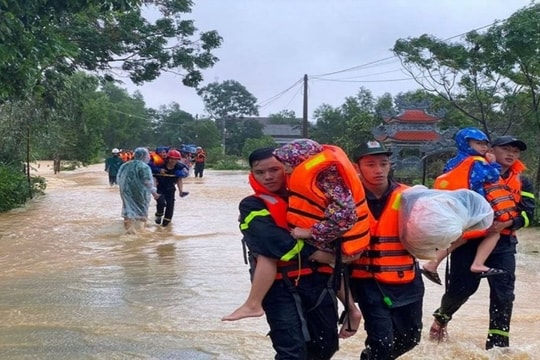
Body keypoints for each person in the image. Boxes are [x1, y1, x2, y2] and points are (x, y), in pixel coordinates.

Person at [222, 139, 370, 330]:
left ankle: (350, 307)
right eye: (260, 172)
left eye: (276, 169)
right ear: (252, 174)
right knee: (292, 351)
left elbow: (348, 214)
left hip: (320, 281)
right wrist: (319, 254)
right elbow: (274, 243)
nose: (268, 177)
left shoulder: (313, 188)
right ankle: (253, 303)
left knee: (325, 348)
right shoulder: (252, 204)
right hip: (282, 287)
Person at [429, 135, 535, 350]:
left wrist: (507, 224)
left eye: (515, 151)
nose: (511, 154)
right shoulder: (473, 168)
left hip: (503, 242)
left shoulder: (523, 180)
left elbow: (528, 214)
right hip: (469, 242)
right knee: (462, 289)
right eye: (505, 149)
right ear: (490, 150)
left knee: (504, 295)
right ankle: (442, 317)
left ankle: (498, 347)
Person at [349, 139, 425, 360]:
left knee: (411, 338)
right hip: (367, 280)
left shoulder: (410, 196)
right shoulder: (347, 200)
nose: (378, 170)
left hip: (407, 277)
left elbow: (433, 233)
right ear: (357, 168)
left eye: (383, 163)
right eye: (371, 164)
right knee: (382, 342)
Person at [422, 128, 516, 285]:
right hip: (474, 207)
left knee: (461, 238)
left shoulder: (454, 161)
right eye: (479, 144)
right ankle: (478, 264)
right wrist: (493, 163)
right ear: (466, 143)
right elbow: (492, 176)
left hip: (457, 206)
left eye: (485, 144)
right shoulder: (478, 162)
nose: (484, 148)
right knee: (493, 233)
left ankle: (432, 263)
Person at [116, 147, 160, 234]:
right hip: (140, 193)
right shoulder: (144, 167)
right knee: (141, 211)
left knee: (128, 209)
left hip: (125, 192)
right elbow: (147, 182)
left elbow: (118, 178)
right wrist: (154, 193)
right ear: (145, 156)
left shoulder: (125, 165)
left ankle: (129, 230)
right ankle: (140, 232)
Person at [153, 149, 190, 227]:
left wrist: (181, 191)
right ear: (168, 158)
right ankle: (159, 215)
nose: (173, 161)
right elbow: (154, 178)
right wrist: (154, 190)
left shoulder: (179, 168)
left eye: (175, 159)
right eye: (172, 159)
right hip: (160, 188)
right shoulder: (160, 166)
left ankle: (165, 227)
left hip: (170, 189)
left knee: (170, 206)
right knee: (161, 202)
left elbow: (179, 180)